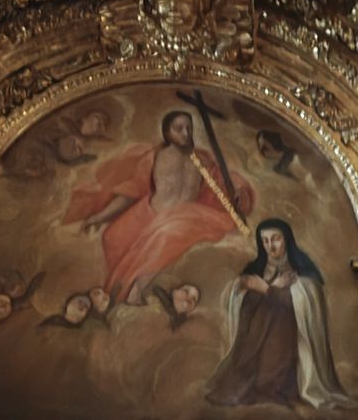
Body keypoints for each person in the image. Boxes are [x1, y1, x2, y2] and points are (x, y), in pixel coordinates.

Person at [64, 110, 251, 307]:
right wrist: (100, 216)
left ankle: (136, 288)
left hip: (187, 216)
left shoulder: (200, 160)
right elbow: (132, 190)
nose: (186, 133)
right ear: (167, 132)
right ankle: (118, 289)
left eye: (189, 128)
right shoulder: (155, 156)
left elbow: (222, 183)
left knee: (165, 235)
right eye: (179, 129)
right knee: (112, 237)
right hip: (152, 214)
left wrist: (239, 192)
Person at [206, 218, 355, 409]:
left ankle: (272, 386)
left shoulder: (302, 270)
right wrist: (255, 289)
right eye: (265, 241)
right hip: (253, 345)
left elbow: (304, 305)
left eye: (275, 239)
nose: (271, 246)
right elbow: (243, 300)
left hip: (288, 346)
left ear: (287, 240)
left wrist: (267, 290)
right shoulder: (256, 269)